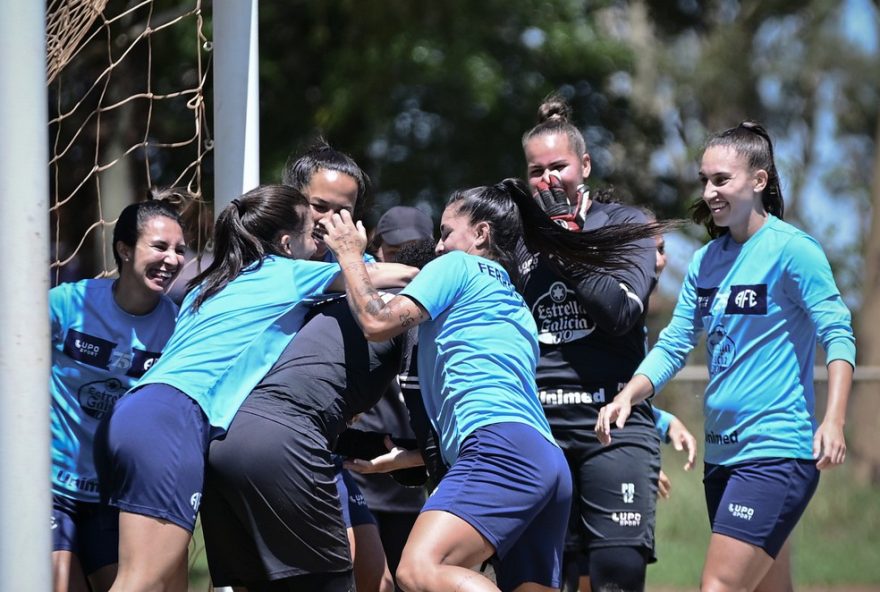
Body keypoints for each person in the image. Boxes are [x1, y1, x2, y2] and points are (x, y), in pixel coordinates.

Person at [322, 178, 664, 592]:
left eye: (446, 233)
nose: (438, 247)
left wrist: (348, 256)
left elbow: (377, 322)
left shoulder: (457, 267)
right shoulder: (515, 300)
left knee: (418, 569)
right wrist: (406, 457)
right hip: (546, 462)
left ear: (481, 233)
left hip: (499, 451)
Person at [93, 185, 415, 592]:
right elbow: (394, 277)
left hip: (135, 412)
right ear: (285, 242)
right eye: (311, 235)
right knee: (143, 581)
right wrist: (354, 250)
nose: (318, 244)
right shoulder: (286, 272)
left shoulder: (212, 284)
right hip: (175, 418)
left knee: (167, 584)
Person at [596, 121, 855, 592]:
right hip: (723, 455)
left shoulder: (793, 251)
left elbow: (838, 334)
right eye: (705, 180)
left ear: (759, 181)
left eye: (722, 179)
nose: (710, 191)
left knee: (719, 585)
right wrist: (629, 396)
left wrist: (834, 420)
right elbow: (675, 342)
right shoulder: (705, 261)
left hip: (774, 452)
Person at [519, 95, 673, 592]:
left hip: (614, 424)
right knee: (548, 577)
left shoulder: (625, 225)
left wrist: (567, 242)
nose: (548, 179)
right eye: (536, 170)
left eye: (559, 166)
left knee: (614, 578)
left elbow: (621, 312)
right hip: (540, 431)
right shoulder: (515, 235)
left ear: (584, 165)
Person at [50, 197, 186, 592]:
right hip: (52, 491)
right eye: (159, 247)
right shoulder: (68, 304)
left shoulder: (179, 328)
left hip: (119, 496)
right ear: (124, 249)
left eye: (180, 249)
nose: (172, 259)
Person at [351, 205, 435, 588]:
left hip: (412, 477)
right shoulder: (358, 306)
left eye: (415, 253)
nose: (405, 266)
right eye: (395, 252)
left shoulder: (434, 307)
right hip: (361, 473)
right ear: (376, 249)